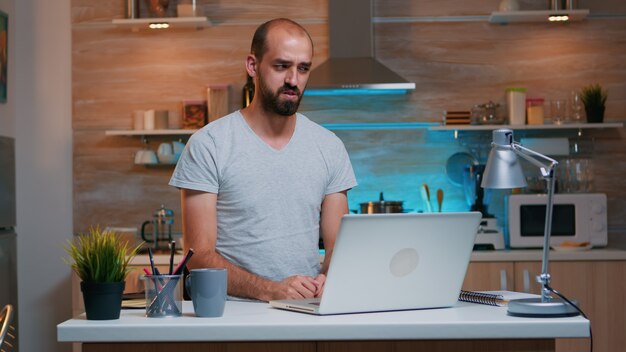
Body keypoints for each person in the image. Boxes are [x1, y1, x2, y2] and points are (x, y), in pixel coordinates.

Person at [169, 18, 357, 302]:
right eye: (282, 66)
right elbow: (199, 256)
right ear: (253, 66)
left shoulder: (329, 147)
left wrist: (328, 280)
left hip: (305, 312)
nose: (293, 80)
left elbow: (339, 248)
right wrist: (271, 290)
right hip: (229, 316)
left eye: (303, 68)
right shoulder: (209, 144)